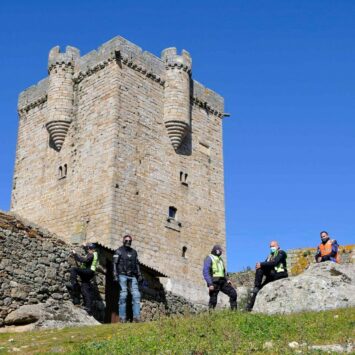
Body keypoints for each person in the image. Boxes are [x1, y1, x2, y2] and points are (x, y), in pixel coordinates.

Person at [246, 240, 288, 312]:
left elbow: (274, 262)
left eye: (273, 246)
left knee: (261, 266)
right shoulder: (270, 256)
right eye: (270, 246)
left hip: (280, 274)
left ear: (278, 246)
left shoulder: (281, 253)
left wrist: (261, 264)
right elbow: (266, 264)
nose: (272, 248)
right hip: (272, 275)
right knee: (258, 289)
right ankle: (249, 308)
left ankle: (256, 288)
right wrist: (260, 265)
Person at [113, 235, 142, 323]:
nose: (128, 242)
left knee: (136, 295)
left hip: (133, 276)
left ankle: (136, 317)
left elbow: (137, 264)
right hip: (122, 275)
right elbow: (114, 263)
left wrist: (139, 274)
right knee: (123, 295)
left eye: (129, 240)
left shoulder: (134, 252)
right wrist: (115, 274)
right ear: (123, 241)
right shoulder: (118, 251)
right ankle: (122, 318)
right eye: (126, 240)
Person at [202, 244, 237, 310]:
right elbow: (206, 272)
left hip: (223, 281)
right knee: (213, 299)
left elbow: (223, 271)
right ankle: (211, 316)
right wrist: (210, 284)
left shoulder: (220, 259)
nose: (221, 252)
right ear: (216, 250)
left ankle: (234, 312)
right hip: (214, 282)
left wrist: (227, 279)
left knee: (233, 293)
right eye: (220, 250)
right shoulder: (209, 258)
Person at [67, 242, 98, 315]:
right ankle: (88, 308)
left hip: (88, 271)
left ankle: (73, 284)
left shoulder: (92, 254)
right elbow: (87, 252)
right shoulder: (93, 253)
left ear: (93, 249)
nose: (88, 249)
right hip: (89, 274)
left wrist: (75, 254)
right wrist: (85, 246)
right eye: (88, 248)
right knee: (85, 290)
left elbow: (84, 260)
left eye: (90, 248)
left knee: (74, 269)